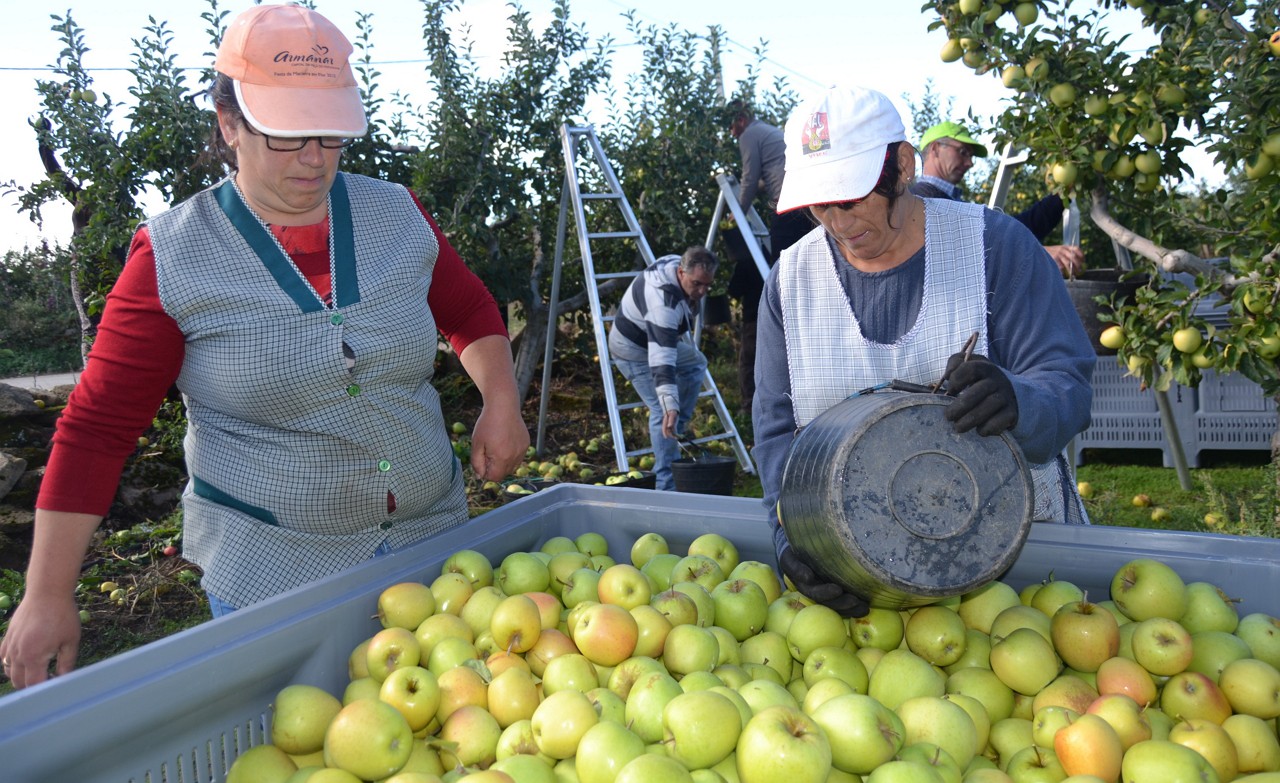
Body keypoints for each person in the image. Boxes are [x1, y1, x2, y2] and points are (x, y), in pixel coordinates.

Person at [0, 4, 528, 689]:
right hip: (279, 575)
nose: (313, 157)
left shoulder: (394, 212)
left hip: (435, 545)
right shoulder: (173, 258)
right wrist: (45, 594)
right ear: (230, 124)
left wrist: (502, 399)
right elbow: (99, 428)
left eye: (330, 134)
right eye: (285, 134)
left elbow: (467, 309)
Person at [753, 86, 1096, 617]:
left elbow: (1066, 383)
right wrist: (790, 534)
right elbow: (778, 432)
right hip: (860, 566)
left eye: (852, 196)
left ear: (904, 166)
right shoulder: (790, 283)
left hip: (1019, 576)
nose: (839, 222)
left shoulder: (993, 248)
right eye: (821, 205)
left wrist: (1021, 402)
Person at [724, 101, 812, 411]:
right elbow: (764, 177)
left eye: (732, 126)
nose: (732, 132)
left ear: (742, 119)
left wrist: (738, 212)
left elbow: (749, 179)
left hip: (790, 207)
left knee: (783, 275)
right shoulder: (770, 133)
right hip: (804, 204)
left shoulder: (749, 135)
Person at [911, 120, 1085, 277]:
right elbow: (959, 255)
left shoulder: (950, 202)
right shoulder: (923, 202)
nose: (970, 163)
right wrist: (1034, 252)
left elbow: (1015, 230)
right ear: (935, 149)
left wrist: (1063, 192)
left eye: (970, 156)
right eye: (963, 152)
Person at [608, 247, 718, 491]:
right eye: (697, 284)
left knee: (696, 363)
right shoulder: (663, 306)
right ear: (681, 272)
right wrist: (670, 405)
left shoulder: (674, 264)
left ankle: (677, 427)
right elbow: (662, 359)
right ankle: (666, 484)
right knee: (661, 409)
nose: (701, 292)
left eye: (707, 286)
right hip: (632, 350)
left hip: (655, 338)